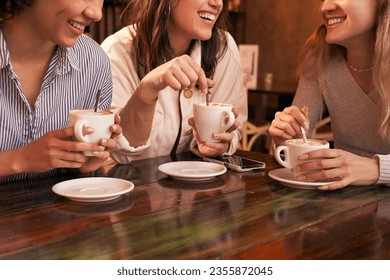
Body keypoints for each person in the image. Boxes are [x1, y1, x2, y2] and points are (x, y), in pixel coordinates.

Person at [101, 0, 247, 163]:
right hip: (128, 184)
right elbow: (119, 150)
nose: (217, 3)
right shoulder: (116, 51)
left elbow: (234, 126)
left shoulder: (223, 48)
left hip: (199, 183)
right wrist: (148, 89)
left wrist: (218, 145)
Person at [269, 0, 390, 190]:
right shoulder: (319, 56)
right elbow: (294, 153)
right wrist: (286, 140)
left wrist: (376, 169)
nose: (325, 7)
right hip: (343, 202)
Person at [0, 0, 121, 182]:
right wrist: (20, 159)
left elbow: (75, 175)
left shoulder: (93, 61)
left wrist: (80, 164)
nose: (97, 14)